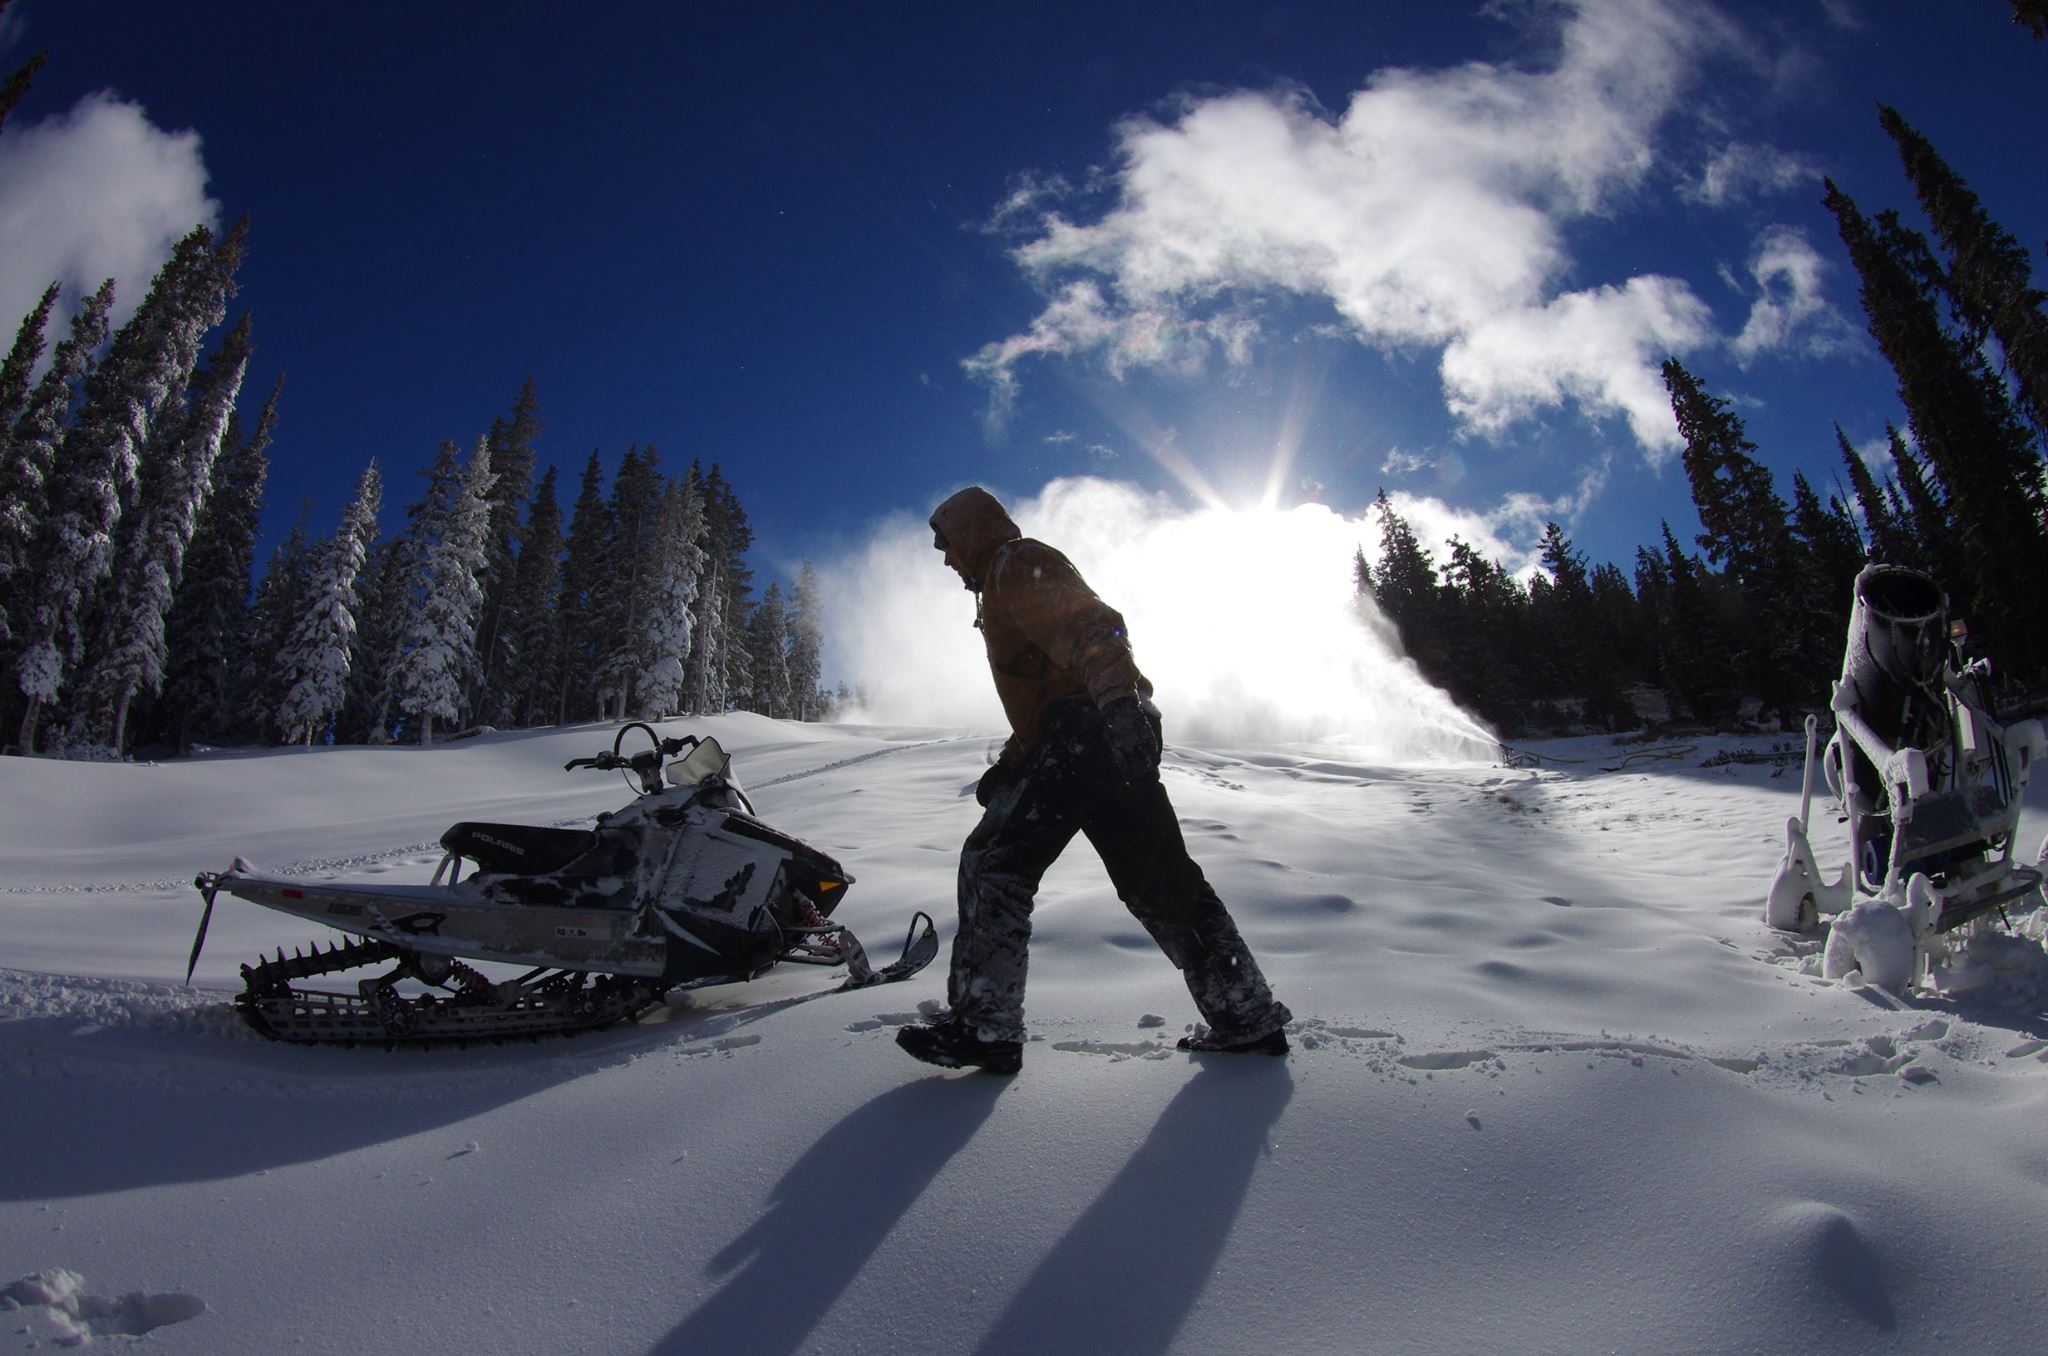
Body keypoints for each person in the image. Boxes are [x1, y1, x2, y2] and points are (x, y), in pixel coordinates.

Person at [895, 486, 1291, 1074]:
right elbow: (1048, 688)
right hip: (1102, 732)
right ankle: (1245, 1013)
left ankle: (986, 1024)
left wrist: (1117, 707)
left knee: (996, 861)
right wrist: (1014, 761)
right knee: (1161, 882)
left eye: (946, 543)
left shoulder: (1016, 566)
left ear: (971, 532)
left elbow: (1092, 630)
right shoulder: (1006, 581)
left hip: (1091, 730)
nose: (946, 559)